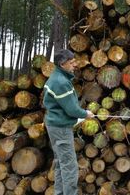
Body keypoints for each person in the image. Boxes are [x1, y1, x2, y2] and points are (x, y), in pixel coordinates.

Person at [43, 49, 94, 195]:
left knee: (60, 163)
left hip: (55, 126)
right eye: (71, 62)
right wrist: (86, 114)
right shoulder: (60, 82)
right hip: (60, 129)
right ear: (62, 64)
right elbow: (72, 110)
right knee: (70, 167)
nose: (75, 65)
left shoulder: (57, 77)